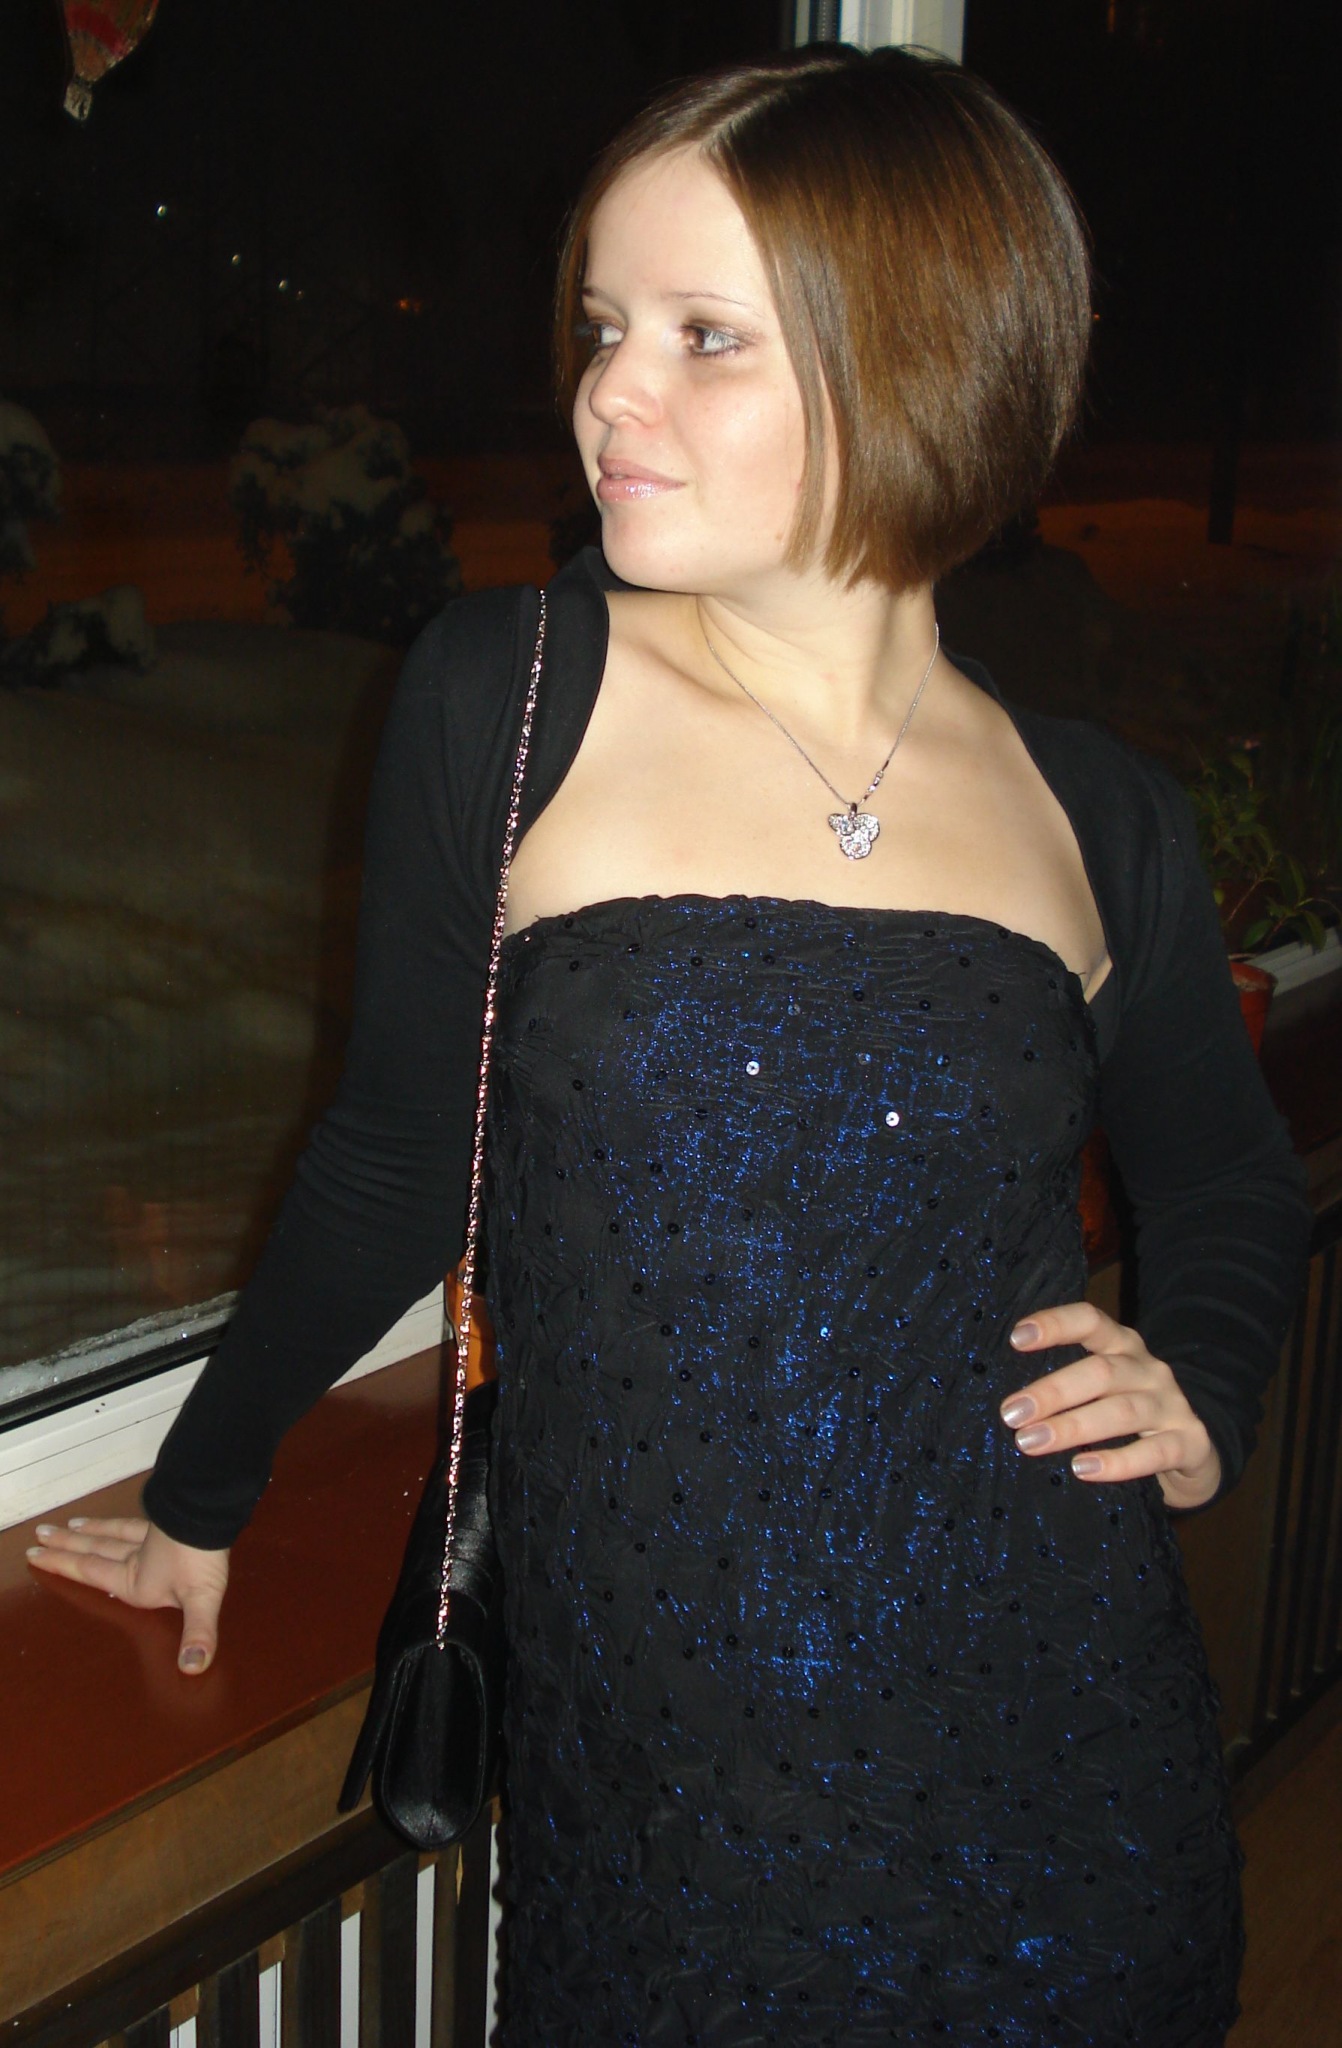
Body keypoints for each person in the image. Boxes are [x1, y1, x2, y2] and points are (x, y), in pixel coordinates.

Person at [29, 45, 1311, 2047]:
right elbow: (393, 1160)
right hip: (666, 1795)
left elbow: (1223, 1173)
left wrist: (1203, 1384)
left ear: (920, 360)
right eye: (604, 326)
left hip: (1058, 1752)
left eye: (702, 337)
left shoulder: (1090, 811)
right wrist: (203, 1491)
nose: (607, 393)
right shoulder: (513, 694)